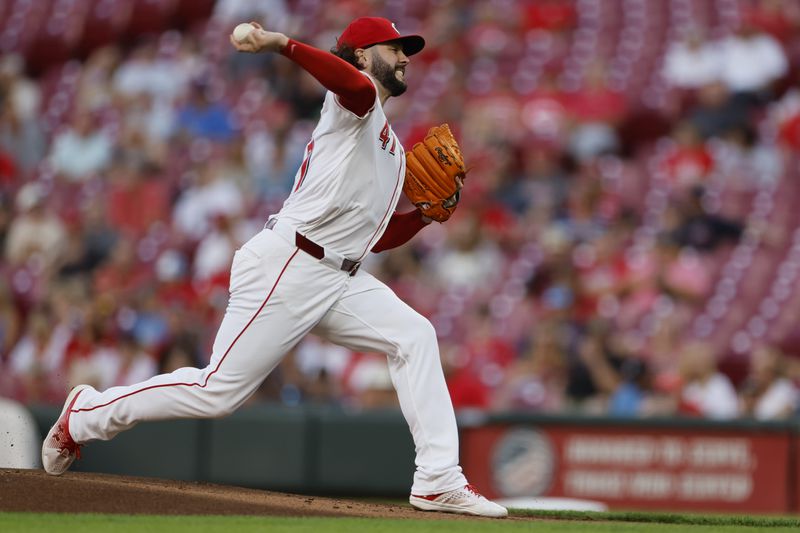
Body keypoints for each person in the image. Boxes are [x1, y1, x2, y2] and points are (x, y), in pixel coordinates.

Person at [41, 17, 508, 518]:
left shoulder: (393, 155)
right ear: (360, 55)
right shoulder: (353, 103)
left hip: (338, 275)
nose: (405, 56)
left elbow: (375, 237)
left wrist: (421, 219)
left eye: (405, 49)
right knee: (218, 391)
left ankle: (438, 478)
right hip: (289, 263)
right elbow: (349, 84)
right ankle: (85, 413)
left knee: (415, 336)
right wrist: (281, 44)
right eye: (393, 47)